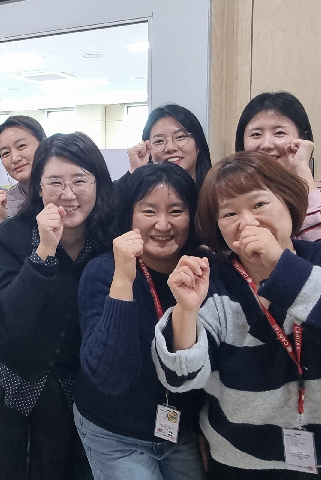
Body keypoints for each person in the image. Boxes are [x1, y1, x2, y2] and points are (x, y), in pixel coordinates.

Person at [152, 152, 321, 479]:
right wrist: (186, 310)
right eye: (229, 213)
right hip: (241, 466)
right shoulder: (214, 280)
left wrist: (280, 267)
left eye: (259, 204)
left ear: (287, 200)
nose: (247, 221)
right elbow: (180, 377)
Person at [0, 132, 115, 480]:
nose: (68, 194)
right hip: (6, 370)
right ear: (38, 188)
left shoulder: (108, 243)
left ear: (98, 184)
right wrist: (43, 253)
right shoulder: (10, 237)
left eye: (80, 180)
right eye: (55, 182)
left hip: (67, 380)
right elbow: (8, 319)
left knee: (55, 468)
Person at [75, 163, 205, 480]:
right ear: (130, 216)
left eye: (176, 211)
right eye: (149, 211)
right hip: (115, 431)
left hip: (179, 430)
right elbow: (109, 376)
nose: (163, 224)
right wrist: (123, 279)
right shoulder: (103, 271)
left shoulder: (200, 271)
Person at [235, 91, 321, 252]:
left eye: (279, 133)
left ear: (302, 139)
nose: (266, 144)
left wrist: (303, 172)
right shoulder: (230, 199)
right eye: (256, 134)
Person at [0, 115, 47, 283]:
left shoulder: (66, 191)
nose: (15, 158)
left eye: (21, 146)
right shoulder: (3, 203)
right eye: (5, 153)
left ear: (44, 144)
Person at [125, 104, 212, 186]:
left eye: (180, 137)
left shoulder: (215, 192)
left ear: (198, 142)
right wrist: (135, 172)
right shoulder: (142, 194)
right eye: (159, 141)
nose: (170, 147)